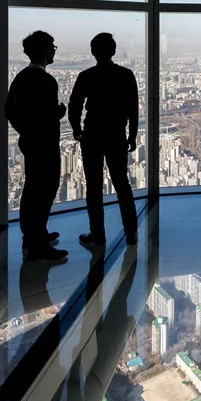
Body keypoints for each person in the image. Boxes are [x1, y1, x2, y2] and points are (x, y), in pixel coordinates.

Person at [67, 32, 141, 247]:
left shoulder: (86, 75)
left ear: (92, 52)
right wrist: (133, 134)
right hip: (116, 133)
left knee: (93, 186)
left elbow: (75, 105)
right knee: (122, 184)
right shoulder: (126, 75)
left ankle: (97, 234)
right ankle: (131, 232)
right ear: (114, 51)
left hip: (92, 134)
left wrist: (76, 128)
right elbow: (133, 108)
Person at [7, 30, 67, 262]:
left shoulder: (21, 77)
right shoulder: (45, 80)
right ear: (44, 50)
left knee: (33, 189)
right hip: (44, 144)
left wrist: (26, 130)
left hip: (31, 142)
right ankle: (36, 244)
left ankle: (34, 236)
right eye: (52, 46)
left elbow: (9, 110)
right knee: (44, 190)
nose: (54, 50)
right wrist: (58, 113)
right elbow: (46, 114)